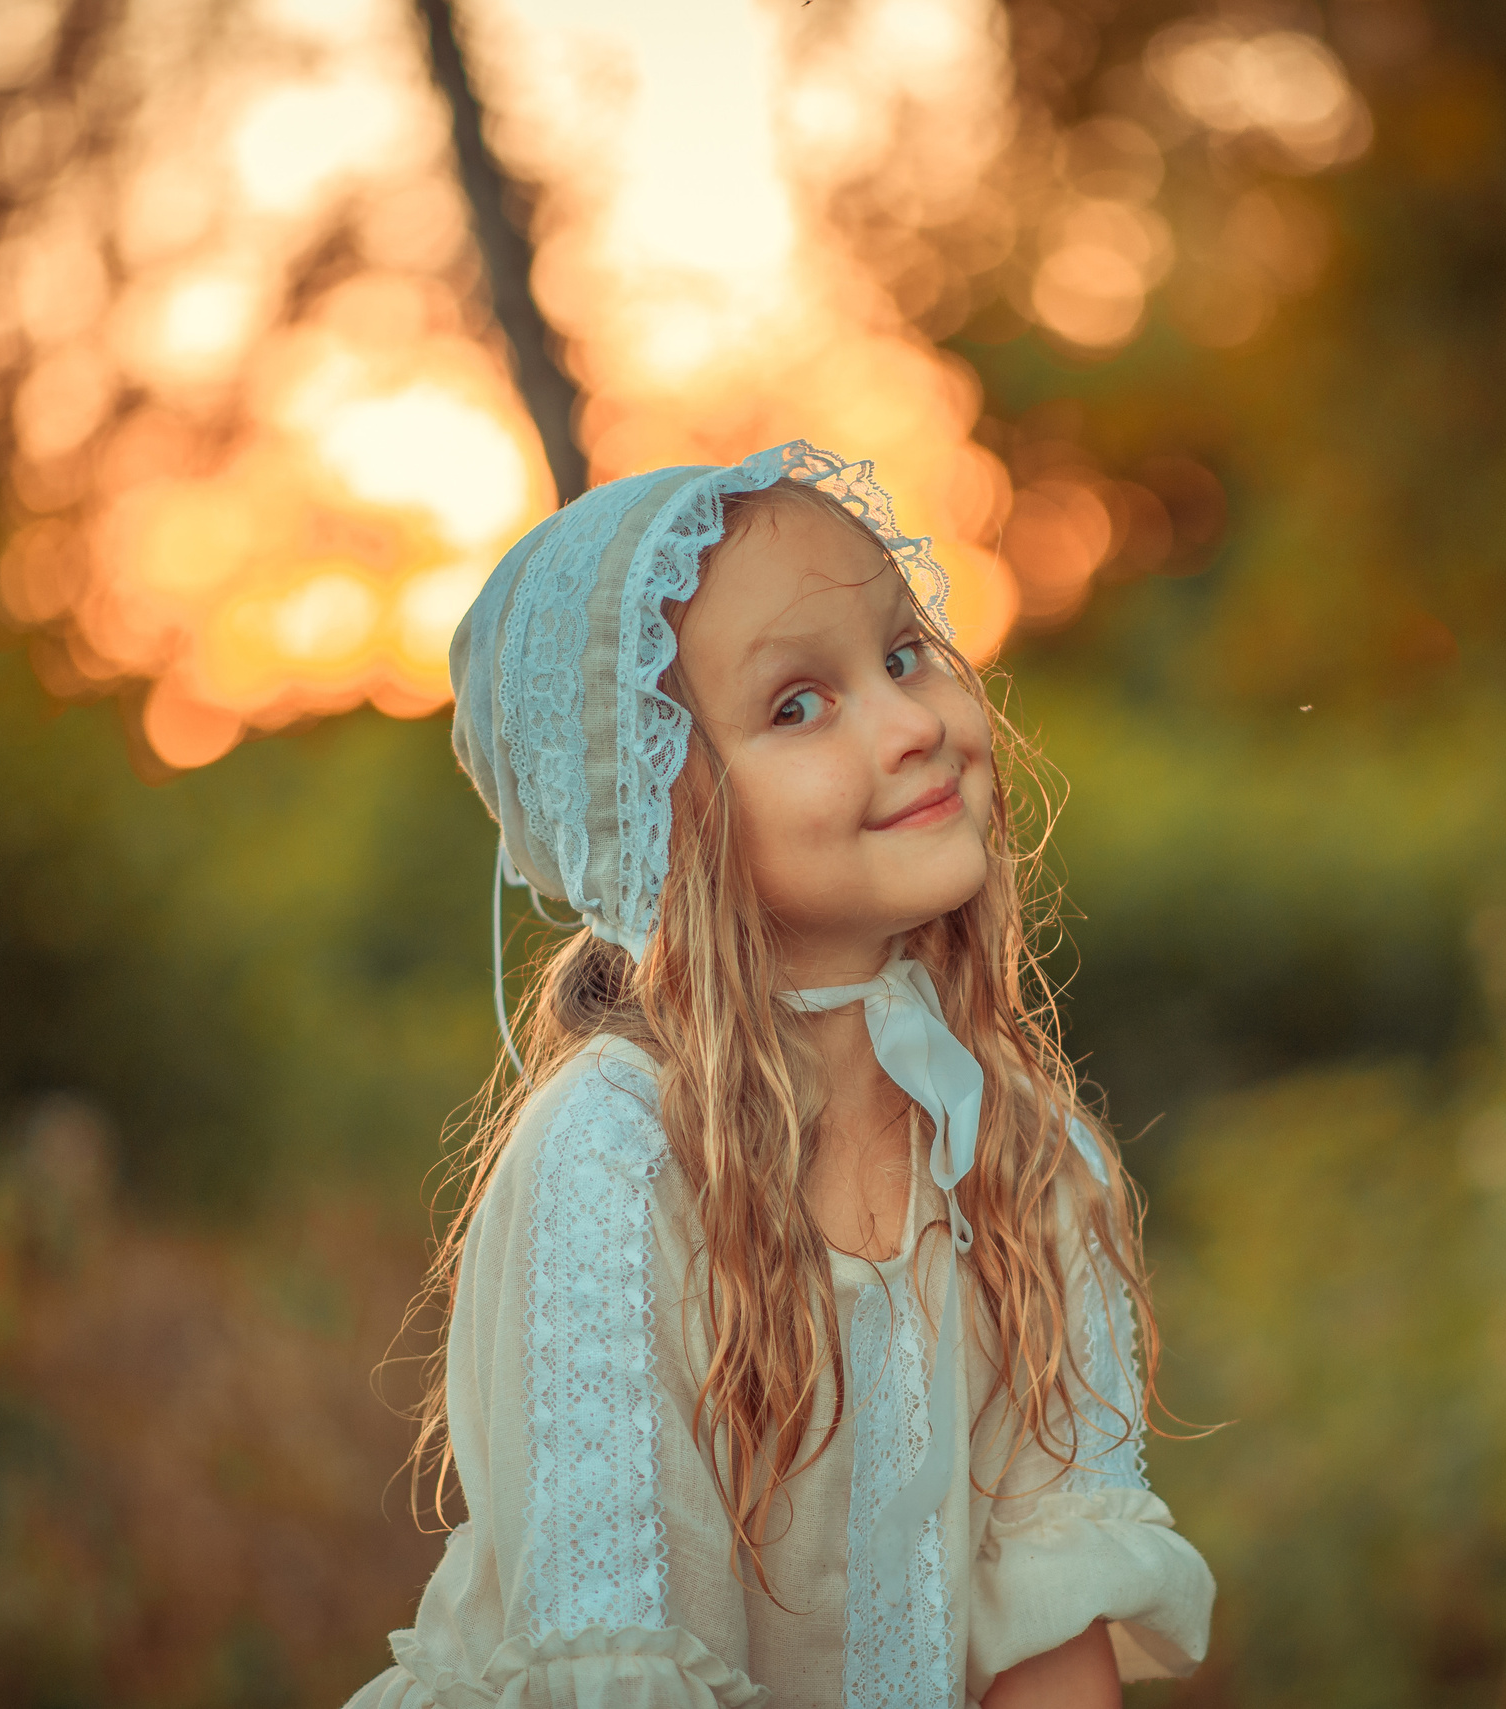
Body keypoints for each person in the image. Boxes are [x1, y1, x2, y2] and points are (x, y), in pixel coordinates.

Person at [343, 441, 1213, 1709]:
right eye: (798, 704)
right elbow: (624, 1662)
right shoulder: (615, 1153)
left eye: (904, 654)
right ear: (660, 814)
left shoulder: (1024, 1149)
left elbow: (1051, 1640)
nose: (914, 724)